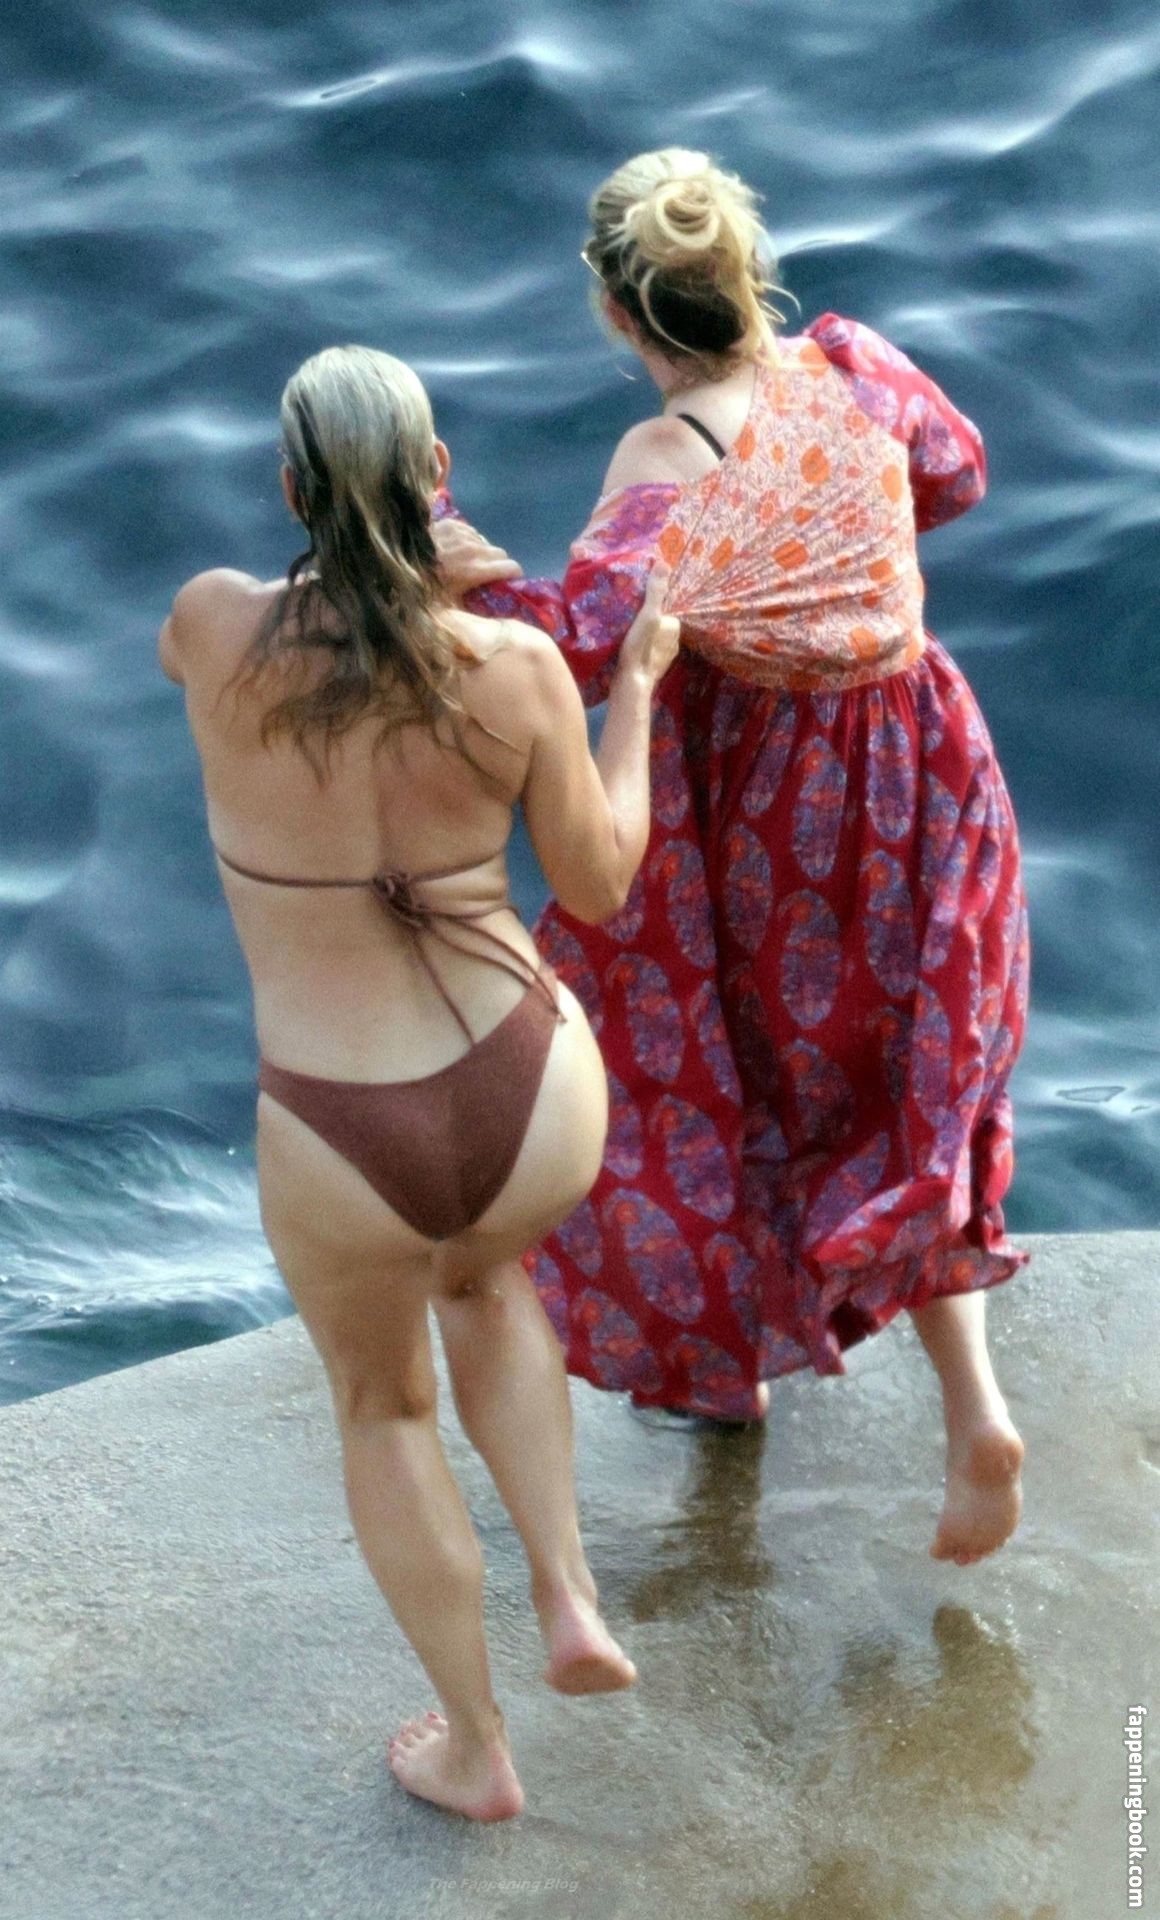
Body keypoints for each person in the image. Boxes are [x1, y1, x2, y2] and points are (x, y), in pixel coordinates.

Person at [434, 148, 1029, 1566]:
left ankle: (724, 1373)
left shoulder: (668, 459)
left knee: (721, 1077)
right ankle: (975, 1412)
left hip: (780, 812)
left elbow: (579, 649)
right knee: (909, 1098)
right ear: (745, 270)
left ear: (613, 309)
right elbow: (954, 470)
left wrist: (455, 569)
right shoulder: (857, 368)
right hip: (925, 763)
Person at [158, 344, 679, 1821]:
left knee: (385, 1409)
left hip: (341, 1130)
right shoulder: (513, 669)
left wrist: (377, 580)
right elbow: (600, 882)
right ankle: (569, 1597)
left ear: (290, 491)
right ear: (440, 479)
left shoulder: (212, 626)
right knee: (487, 1282)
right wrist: (634, 694)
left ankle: (476, 1748)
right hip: (528, 1091)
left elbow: (224, 650)